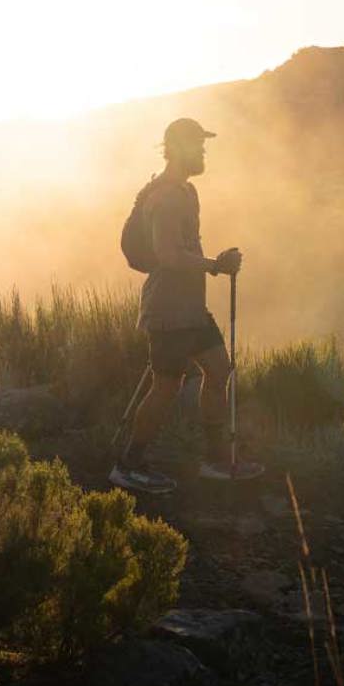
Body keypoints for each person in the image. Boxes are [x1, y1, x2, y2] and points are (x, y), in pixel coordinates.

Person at [109, 117, 264, 494]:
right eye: (199, 145)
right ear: (178, 148)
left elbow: (184, 250)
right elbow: (168, 254)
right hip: (167, 311)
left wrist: (215, 261)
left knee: (219, 369)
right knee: (167, 387)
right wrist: (215, 266)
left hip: (190, 309)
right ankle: (128, 465)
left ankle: (214, 460)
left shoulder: (186, 192)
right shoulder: (165, 198)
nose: (203, 151)